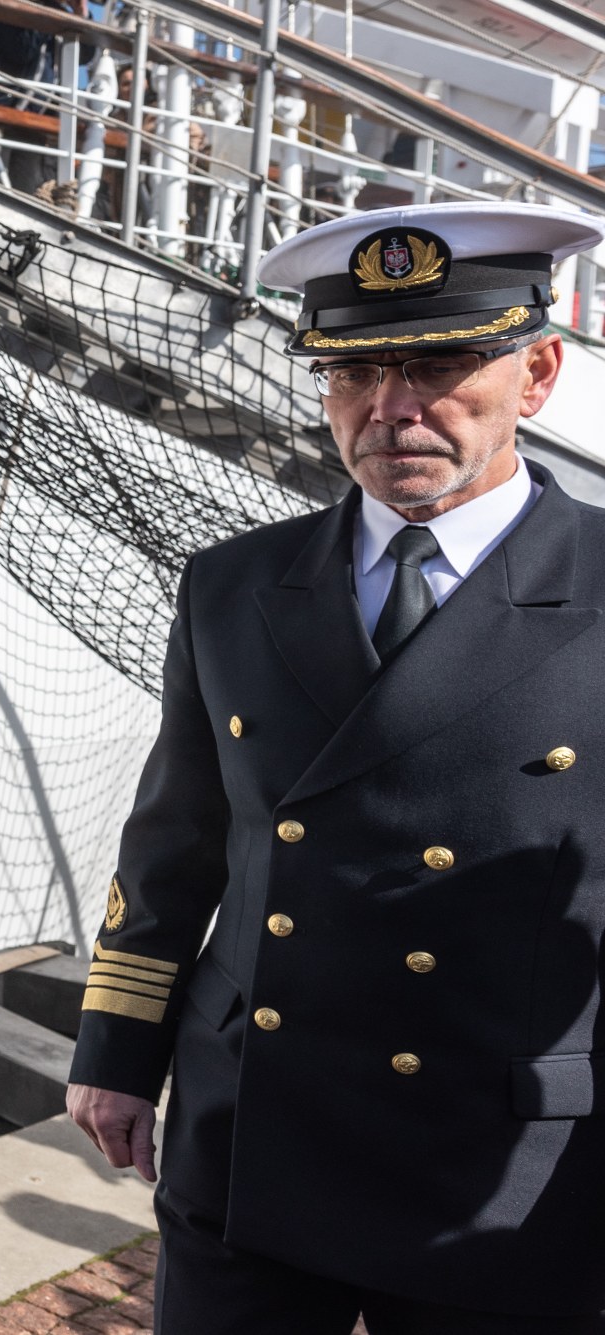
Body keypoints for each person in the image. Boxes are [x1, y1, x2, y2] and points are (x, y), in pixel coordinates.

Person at [65, 200, 605, 1333]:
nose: (391, 408)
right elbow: (175, 844)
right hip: (251, 1130)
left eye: (439, 365)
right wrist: (116, 1049)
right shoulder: (232, 585)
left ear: (538, 374)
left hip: (501, 1167)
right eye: (353, 373)